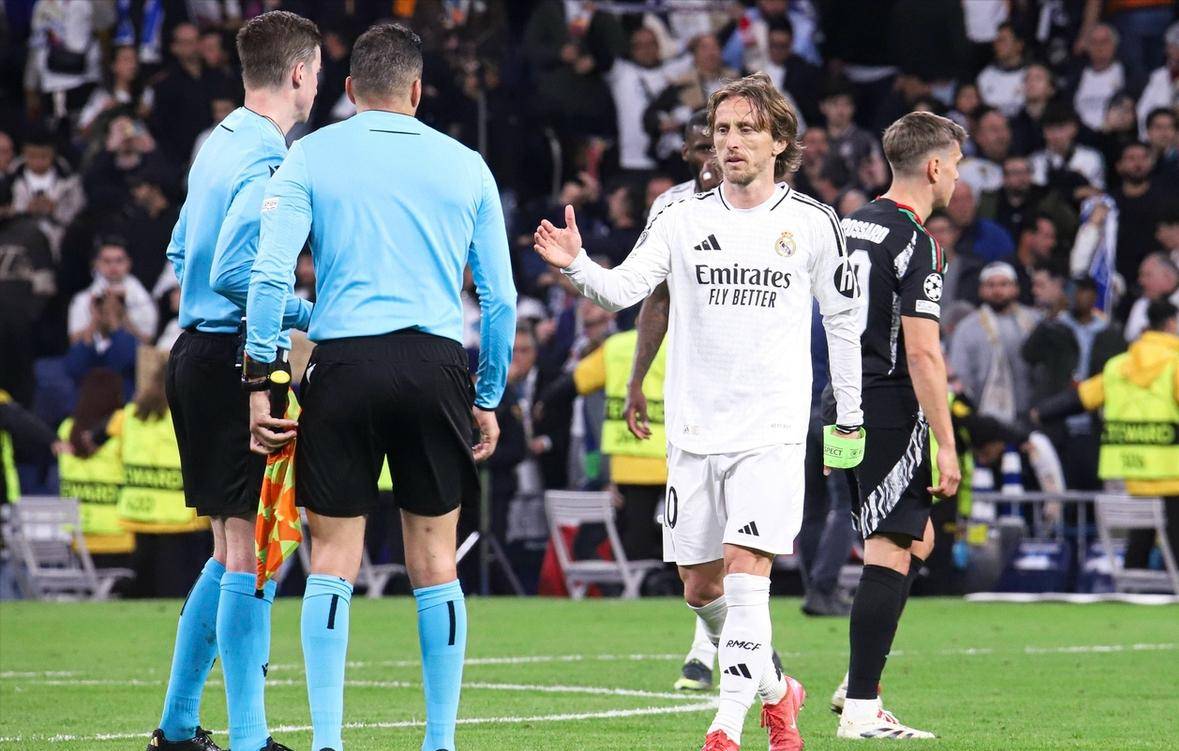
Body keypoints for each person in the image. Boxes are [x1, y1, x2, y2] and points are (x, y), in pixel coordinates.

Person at [534, 72, 863, 751]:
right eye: (722, 130)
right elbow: (624, 290)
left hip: (770, 430)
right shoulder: (679, 217)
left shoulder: (811, 222)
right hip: (693, 430)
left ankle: (726, 726)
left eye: (746, 129)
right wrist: (576, 265)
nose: (731, 142)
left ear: (779, 140)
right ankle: (779, 691)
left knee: (746, 573)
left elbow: (842, 322)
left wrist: (849, 416)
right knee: (699, 587)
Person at [245, 23, 516, 751]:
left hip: (343, 364)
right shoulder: (467, 165)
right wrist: (486, 395)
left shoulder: (310, 153)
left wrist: (261, 378)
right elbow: (500, 300)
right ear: (418, 90)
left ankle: (328, 743)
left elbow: (269, 275)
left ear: (349, 90)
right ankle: (439, 742)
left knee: (333, 559)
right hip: (434, 364)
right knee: (434, 560)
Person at [149, 11, 322, 751]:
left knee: (229, 550)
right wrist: (308, 311)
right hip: (234, 360)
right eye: (316, 72)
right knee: (252, 552)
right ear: (298, 73)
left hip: (195, 350)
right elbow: (230, 270)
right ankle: (249, 739)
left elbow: (179, 252)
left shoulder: (216, 142)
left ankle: (178, 727)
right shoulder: (268, 158)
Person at [832, 111, 964, 740]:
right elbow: (922, 353)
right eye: (956, 165)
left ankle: (859, 678)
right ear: (934, 167)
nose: (957, 178)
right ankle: (861, 706)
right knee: (889, 546)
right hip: (888, 406)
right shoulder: (918, 242)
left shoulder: (847, 223)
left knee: (916, 539)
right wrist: (947, 443)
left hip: (840, 404)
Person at [625, 108, 723, 693]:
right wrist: (637, 380)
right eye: (703, 145)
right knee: (697, 536)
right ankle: (730, 644)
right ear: (686, 153)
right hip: (691, 390)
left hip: (752, 391)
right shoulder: (669, 207)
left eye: (724, 140)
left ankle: (711, 651)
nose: (714, 154)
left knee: (742, 533)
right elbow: (655, 298)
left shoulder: (773, 203)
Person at [1037, 299, 1179, 572]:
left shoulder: (1118, 366)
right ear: (1171, 324)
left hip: (1130, 472)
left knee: (1139, 540)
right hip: (1172, 472)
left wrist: (1039, 413)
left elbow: (1081, 398)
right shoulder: (1174, 363)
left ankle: (1131, 590)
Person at [949, 262, 1042, 423]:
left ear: (1016, 288)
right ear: (981, 290)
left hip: (1033, 413)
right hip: (986, 417)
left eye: (1004, 284)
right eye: (990, 285)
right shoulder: (967, 328)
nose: (997, 290)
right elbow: (960, 375)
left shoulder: (1034, 321)